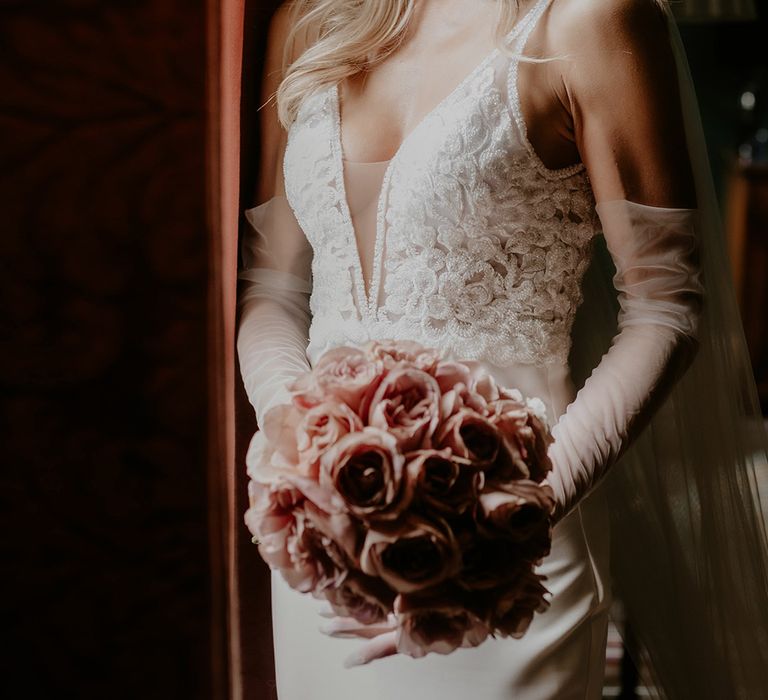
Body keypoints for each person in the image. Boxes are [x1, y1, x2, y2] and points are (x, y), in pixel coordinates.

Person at [236, 0, 768, 697]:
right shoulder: (313, 20)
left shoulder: (589, 20)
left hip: (510, 548)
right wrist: (308, 456)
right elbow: (270, 289)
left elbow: (666, 306)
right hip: (333, 555)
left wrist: (520, 513)